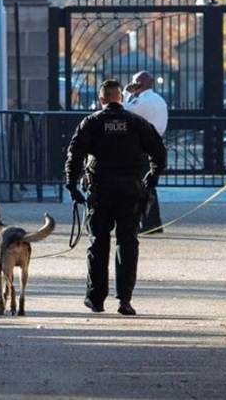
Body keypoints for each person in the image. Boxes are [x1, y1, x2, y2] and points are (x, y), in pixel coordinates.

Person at [65, 79, 167, 316]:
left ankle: (96, 299)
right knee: (127, 244)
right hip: (130, 191)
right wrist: (151, 179)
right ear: (120, 97)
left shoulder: (91, 122)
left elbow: (75, 154)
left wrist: (71, 185)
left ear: (102, 99)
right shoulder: (136, 122)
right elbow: (159, 153)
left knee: (98, 244)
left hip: (100, 191)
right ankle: (124, 300)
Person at [125, 70, 169, 233]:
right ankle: (153, 222)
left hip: (143, 147)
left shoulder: (142, 102)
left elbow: (122, 111)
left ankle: (148, 222)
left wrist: (125, 93)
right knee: (149, 185)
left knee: (140, 185)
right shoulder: (159, 99)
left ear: (139, 84)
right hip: (156, 144)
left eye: (134, 81)